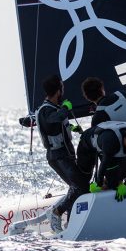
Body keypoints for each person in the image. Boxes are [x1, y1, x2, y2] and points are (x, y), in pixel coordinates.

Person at [35, 74, 89, 233]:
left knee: (76, 188)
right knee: (80, 186)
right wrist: (66, 108)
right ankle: (56, 212)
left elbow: (58, 125)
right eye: (62, 87)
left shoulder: (53, 108)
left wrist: (73, 128)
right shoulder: (47, 110)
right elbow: (55, 119)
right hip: (58, 156)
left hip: (65, 154)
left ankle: (70, 224)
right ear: (58, 91)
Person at [77, 121, 126, 201]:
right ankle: (84, 194)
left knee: (121, 176)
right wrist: (98, 184)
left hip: (109, 148)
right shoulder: (111, 142)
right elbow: (104, 164)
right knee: (84, 179)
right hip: (87, 145)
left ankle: (110, 189)